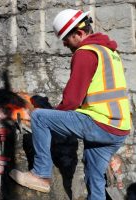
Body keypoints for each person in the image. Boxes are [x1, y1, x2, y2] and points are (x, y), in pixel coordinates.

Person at [9, 9, 131, 200]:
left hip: (100, 123)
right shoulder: (109, 51)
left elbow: (72, 101)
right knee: (94, 175)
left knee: (39, 117)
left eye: (66, 38)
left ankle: (40, 175)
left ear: (79, 33)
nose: (64, 43)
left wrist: (54, 119)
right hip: (119, 129)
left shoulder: (85, 53)